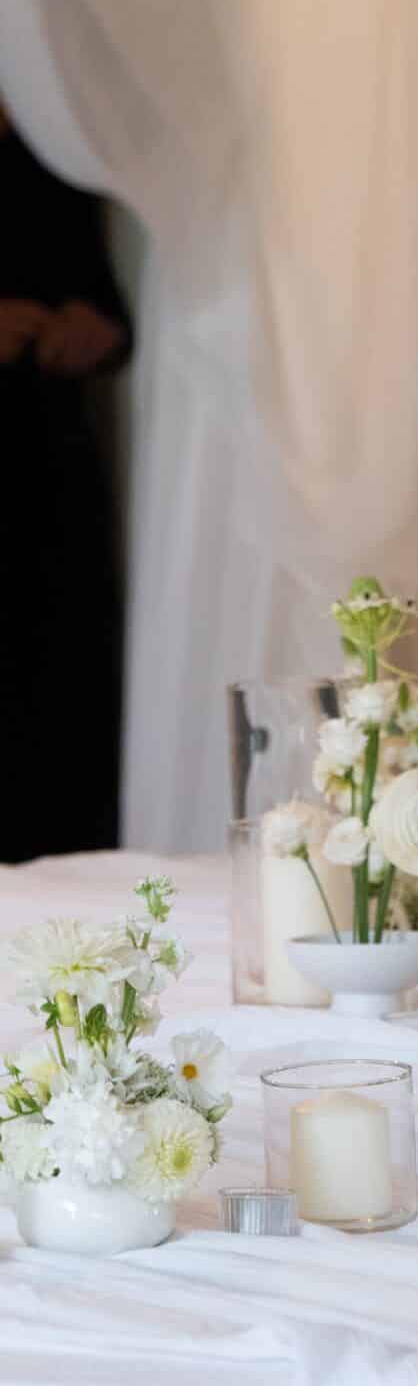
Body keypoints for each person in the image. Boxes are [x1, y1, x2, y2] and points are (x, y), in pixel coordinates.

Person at [0, 102, 131, 855]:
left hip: (45, 459)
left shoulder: (53, 147)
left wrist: (98, 330)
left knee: (60, 677)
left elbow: (102, 295)